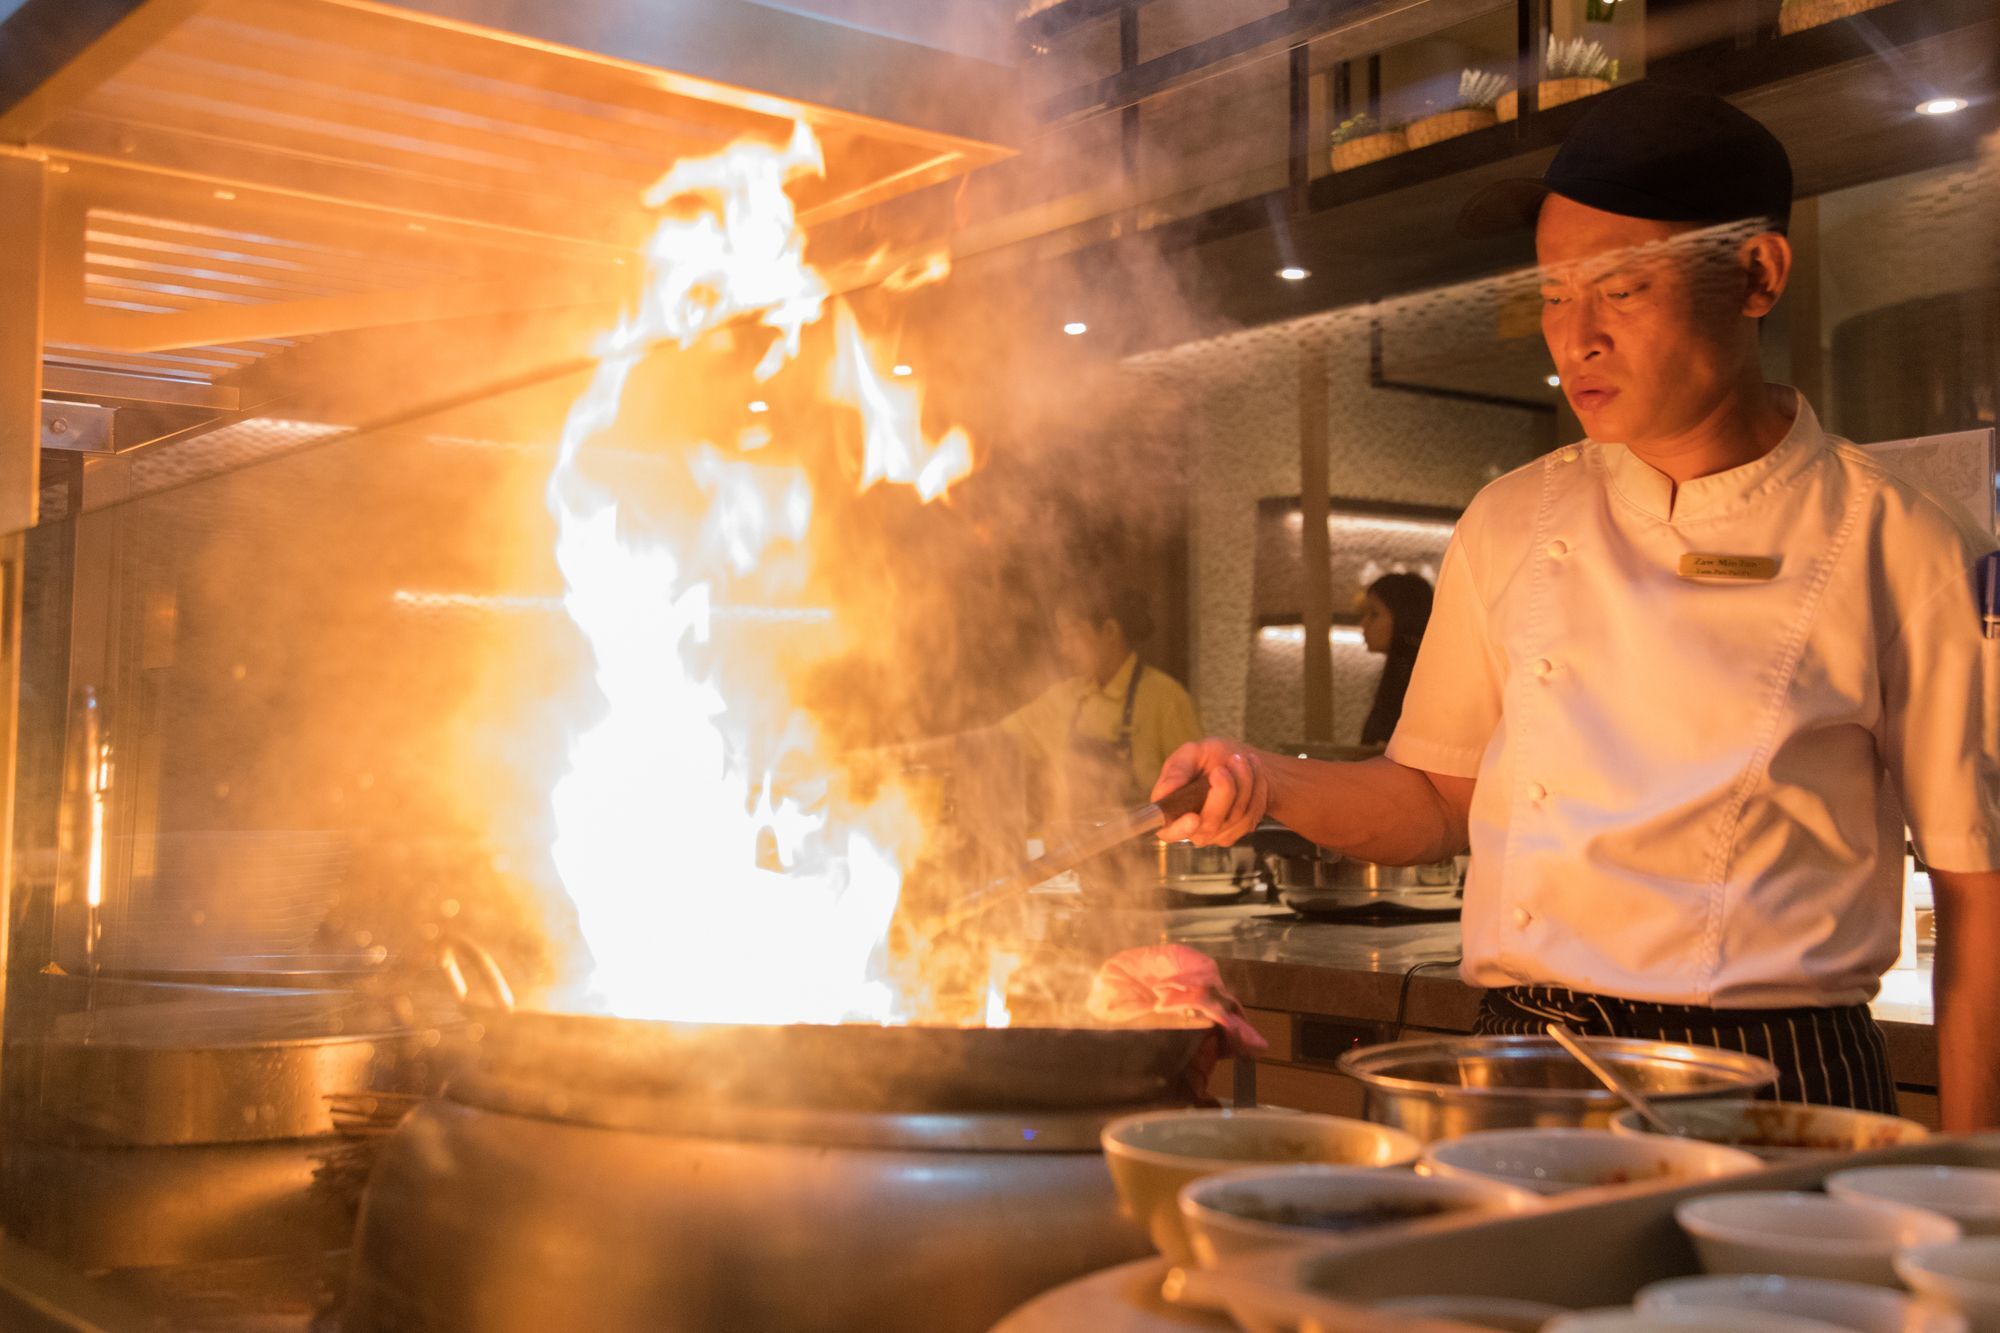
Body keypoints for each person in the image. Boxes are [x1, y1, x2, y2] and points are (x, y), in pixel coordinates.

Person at [1151, 82, 2000, 1129]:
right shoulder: (1510, 518)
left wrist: (1976, 1197)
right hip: (1512, 1060)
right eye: (1554, 294)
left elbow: (1980, 902)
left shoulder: (1898, 541)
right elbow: (1434, 799)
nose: (1573, 337)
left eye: (1621, 289)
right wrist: (1260, 778)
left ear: (1755, 274)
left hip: (1762, 1076)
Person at [1005, 589, 1202, 823]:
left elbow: (1194, 795)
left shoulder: (1167, 699)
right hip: (1068, 852)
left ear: (1109, 631)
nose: (1063, 650)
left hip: (1140, 853)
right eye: (1062, 636)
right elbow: (997, 740)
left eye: (1072, 634)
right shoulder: (1061, 698)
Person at [1357, 572, 1434, 749]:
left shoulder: (1409, 672)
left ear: (1404, 616)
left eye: (1374, 614)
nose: (1364, 623)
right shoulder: (1405, 667)